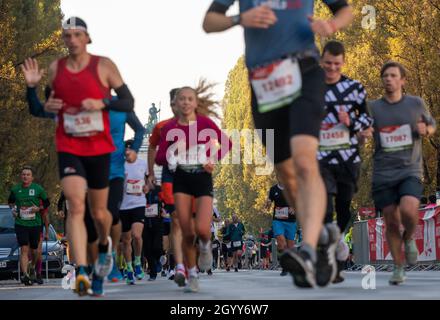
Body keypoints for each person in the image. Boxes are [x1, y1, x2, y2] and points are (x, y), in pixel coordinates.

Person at [203, 0, 354, 288]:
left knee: (304, 159)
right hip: (264, 82)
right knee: (286, 175)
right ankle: (321, 232)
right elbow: (209, 22)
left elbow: (344, 9)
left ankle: (309, 250)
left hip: (304, 70)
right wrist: (240, 18)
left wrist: (331, 25)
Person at [23, 17, 135, 296]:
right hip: (69, 147)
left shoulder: (104, 66)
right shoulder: (55, 69)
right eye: (67, 35)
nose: (71, 39)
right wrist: (31, 89)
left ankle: (101, 257)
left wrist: (103, 102)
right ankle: (82, 270)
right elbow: (44, 109)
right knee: (75, 206)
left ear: (87, 38)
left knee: (100, 215)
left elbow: (128, 101)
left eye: (77, 34)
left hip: (99, 149)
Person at [155, 86, 231, 292]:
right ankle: (193, 275)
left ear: (196, 103)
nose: (186, 102)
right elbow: (159, 157)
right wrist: (173, 151)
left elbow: (226, 143)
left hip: (202, 179)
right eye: (182, 99)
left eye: (190, 99)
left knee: (203, 229)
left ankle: (206, 246)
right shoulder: (170, 127)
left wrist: (212, 159)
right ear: (176, 104)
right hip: (181, 180)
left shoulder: (205, 123)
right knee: (187, 232)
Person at [369, 61, 436, 285]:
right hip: (383, 173)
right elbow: (362, 129)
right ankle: (398, 268)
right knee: (390, 221)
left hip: (409, 169)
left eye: (393, 75)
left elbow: (432, 124)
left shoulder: (415, 104)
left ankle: (409, 238)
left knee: (409, 210)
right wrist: (362, 132)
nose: (388, 79)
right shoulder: (374, 108)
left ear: (402, 80)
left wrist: (426, 130)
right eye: (385, 76)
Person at [317, 40, 373, 284]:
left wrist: (350, 123)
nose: (331, 68)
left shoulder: (355, 88)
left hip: (348, 157)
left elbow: (368, 121)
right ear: (322, 61)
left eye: (336, 64)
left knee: (343, 207)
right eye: (328, 63)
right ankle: (329, 255)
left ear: (343, 63)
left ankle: (337, 253)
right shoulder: (311, 88)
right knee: (324, 207)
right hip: (320, 157)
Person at [147, 88, 187, 286]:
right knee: (176, 221)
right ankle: (178, 266)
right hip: (171, 177)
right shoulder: (162, 126)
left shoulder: (198, 123)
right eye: (176, 102)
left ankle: (195, 255)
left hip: (195, 178)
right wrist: (152, 173)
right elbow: (152, 147)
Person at [8, 166, 50, 286]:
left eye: (28, 174)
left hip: (35, 224)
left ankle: (32, 266)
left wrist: (39, 208)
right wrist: (13, 210)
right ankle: (25, 275)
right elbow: (10, 202)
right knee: (24, 249)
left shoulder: (38, 189)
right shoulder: (16, 189)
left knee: (35, 250)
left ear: (32, 177)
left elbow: (47, 202)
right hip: (21, 224)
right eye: (23, 174)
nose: (25, 176)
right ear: (21, 176)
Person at [120, 139, 148, 285]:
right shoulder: (120, 165)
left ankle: (137, 262)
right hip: (124, 206)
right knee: (126, 240)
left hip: (139, 203)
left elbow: (149, 180)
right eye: (125, 150)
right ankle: (129, 268)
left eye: (129, 149)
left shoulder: (143, 164)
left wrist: (147, 187)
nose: (127, 152)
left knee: (137, 235)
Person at [265, 178, 297, 276]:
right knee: (282, 243)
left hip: (291, 221)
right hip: (278, 220)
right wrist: (268, 203)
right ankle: (284, 267)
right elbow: (269, 202)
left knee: (290, 246)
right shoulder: (273, 189)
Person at [143, 185, 164, 281]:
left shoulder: (159, 189)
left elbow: (166, 201)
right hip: (145, 223)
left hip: (158, 222)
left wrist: (164, 209)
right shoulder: (141, 189)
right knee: (147, 250)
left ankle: (157, 260)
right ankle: (153, 272)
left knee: (157, 247)